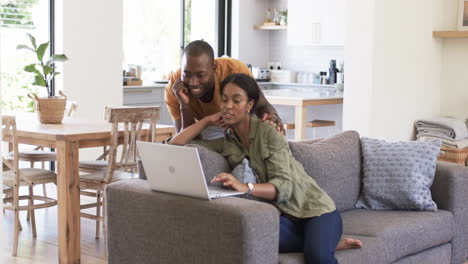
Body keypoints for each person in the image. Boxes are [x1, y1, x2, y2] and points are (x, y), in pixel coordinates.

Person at [169, 73, 362, 263]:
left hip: (314, 210)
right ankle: (325, 242)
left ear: (250, 105)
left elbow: (284, 188)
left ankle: (322, 244)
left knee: (317, 257)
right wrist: (207, 121)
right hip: (284, 217)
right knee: (250, 237)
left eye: (236, 101)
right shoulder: (227, 141)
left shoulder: (269, 132)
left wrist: (246, 187)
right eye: (225, 100)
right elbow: (175, 145)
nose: (228, 106)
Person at [165, 40, 284, 137]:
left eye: (201, 75)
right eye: (187, 74)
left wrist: (273, 115)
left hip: (242, 129)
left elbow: (261, 105)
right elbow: (186, 138)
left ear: (214, 67)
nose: (193, 82)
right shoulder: (175, 88)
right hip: (209, 133)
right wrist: (184, 106)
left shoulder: (235, 70)